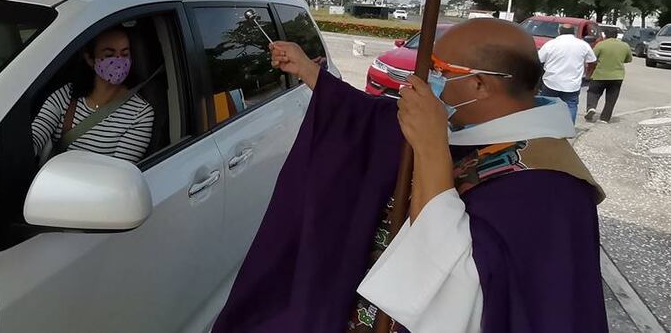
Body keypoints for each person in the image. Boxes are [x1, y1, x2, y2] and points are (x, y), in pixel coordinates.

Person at [212, 18, 606, 333]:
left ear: (480, 84)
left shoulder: (551, 187)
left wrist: (431, 148)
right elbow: (375, 121)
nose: (425, 79)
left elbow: (460, 293)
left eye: (438, 70)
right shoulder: (472, 131)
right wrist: (309, 73)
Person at [31, 27, 154, 163]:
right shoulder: (66, 95)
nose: (119, 61)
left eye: (125, 54)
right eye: (109, 55)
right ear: (90, 59)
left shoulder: (140, 113)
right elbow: (34, 138)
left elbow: (118, 172)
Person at [537, 23, 597, 122]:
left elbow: (538, 59)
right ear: (573, 32)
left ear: (559, 31)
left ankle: (546, 128)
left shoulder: (550, 44)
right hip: (572, 84)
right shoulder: (583, 45)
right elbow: (593, 61)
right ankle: (567, 131)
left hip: (551, 81)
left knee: (548, 105)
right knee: (570, 106)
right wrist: (588, 74)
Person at [585, 27, 632, 123]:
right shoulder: (625, 46)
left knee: (593, 92)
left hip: (600, 75)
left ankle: (591, 107)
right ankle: (605, 118)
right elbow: (629, 59)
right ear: (616, 35)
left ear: (605, 35)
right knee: (611, 98)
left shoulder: (601, 45)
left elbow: (592, 58)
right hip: (617, 76)